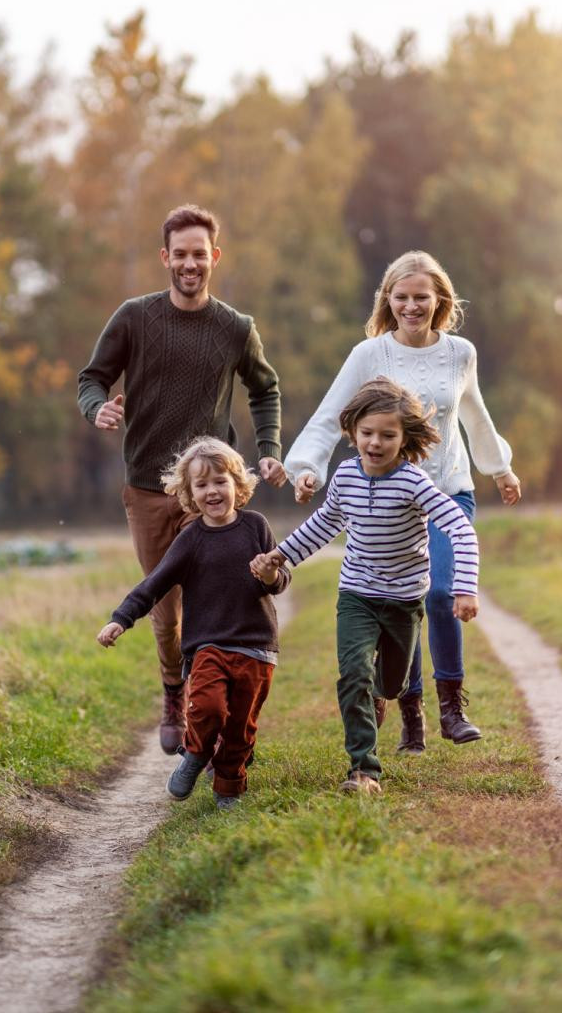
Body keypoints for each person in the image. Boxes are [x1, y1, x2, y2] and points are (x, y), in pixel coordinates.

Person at [283, 250, 519, 754]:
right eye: (402, 297)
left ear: (440, 301)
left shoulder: (461, 353)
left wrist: (500, 469)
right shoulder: (370, 354)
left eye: (422, 297)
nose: (412, 306)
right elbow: (332, 414)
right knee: (401, 599)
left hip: (448, 487)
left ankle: (452, 706)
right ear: (388, 300)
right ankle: (412, 713)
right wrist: (306, 468)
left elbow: (474, 415)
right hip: (390, 496)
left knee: (439, 592)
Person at [78, 204, 288, 753]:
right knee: (166, 607)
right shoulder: (133, 317)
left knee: (218, 596)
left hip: (208, 493)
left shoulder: (235, 328)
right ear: (164, 258)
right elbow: (92, 377)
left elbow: (265, 389)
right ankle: (175, 689)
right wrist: (96, 407)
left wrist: (268, 450)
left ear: (214, 257)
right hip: (148, 486)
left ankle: (208, 695)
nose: (190, 263)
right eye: (181, 254)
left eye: (200, 254)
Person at [254, 378, 478, 795]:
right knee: (353, 673)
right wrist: (280, 555)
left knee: (390, 685)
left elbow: (460, 529)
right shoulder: (345, 475)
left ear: (404, 437)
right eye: (367, 433)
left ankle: (382, 698)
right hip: (356, 593)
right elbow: (325, 524)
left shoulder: (414, 482)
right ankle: (364, 770)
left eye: (388, 435)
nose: (375, 443)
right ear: (352, 431)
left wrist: (465, 587)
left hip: (404, 598)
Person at [98, 438, 289, 809]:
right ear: (189, 493)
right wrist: (121, 619)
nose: (212, 491)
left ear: (238, 484)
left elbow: (281, 581)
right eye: (201, 485)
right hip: (209, 646)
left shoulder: (256, 526)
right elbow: (154, 584)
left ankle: (228, 788)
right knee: (207, 709)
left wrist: (269, 576)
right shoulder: (191, 539)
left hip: (257, 647)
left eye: (220, 481)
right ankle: (196, 755)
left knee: (240, 728)